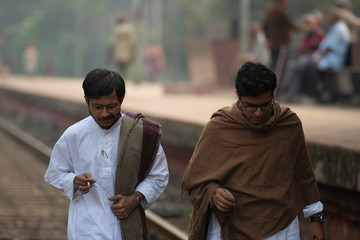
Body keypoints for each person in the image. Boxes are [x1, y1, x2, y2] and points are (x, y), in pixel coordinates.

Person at [181, 62, 326, 240]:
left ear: (273, 96)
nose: (258, 113)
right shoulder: (220, 127)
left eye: (265, 105)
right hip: (229, 228)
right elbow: (195, 178)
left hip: (281, 228)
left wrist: (315, 218)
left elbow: (303, 173)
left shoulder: (288, 124)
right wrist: (213, 193)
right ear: (237, 95)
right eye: (251, 106)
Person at [44, 68, 169, 239]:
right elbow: (54, 174)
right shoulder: (74, 135)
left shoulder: (141, 133)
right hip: (85, 229)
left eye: (111, 106)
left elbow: (159, 175)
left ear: (121, 100)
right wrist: (73, 180)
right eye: (97, 107)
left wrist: (136, 198)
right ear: (86, 100)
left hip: (126, 230)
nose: (104, 114)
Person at [281, 13, 325, 102]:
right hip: (304, 58)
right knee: (293, 68)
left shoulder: (319, 34)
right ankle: (291, 95)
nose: (307, 25)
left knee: (293, 67)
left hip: (313, 60)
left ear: (315, 24)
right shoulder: (307, 34)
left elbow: (318, 49)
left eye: (309, 23)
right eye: (306, 23)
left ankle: (283, 86)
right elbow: (302, 48)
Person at [263, 0, 302, 84]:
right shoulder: (280, 11)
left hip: (273, 44)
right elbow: (291, 25)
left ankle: (269, 89)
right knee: (279, 68)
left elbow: (265, 26)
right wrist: (305, 28)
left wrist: (268, 39)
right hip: (281, 44)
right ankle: (274, 91)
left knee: (273, 65)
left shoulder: (270, 10)